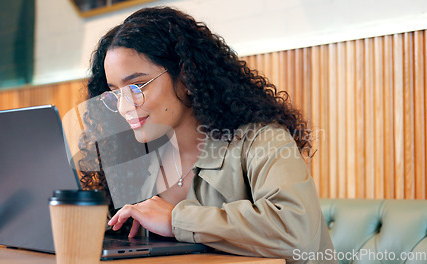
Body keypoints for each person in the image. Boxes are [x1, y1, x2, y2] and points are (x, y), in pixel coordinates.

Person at [81, 6, 336, 263]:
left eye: (137, 86)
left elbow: (297, 233)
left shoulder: (263, 140)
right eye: (115, 92)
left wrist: (175, 219)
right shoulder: (136, 157)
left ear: (184, 76)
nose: (125, 107)